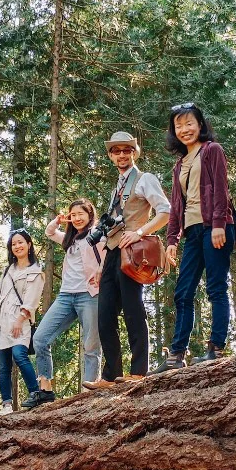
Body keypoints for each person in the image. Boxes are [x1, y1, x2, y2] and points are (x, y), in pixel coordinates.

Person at [85, 131, 171, 389]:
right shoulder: (117, 186)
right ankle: (111, 375)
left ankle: (138, 372)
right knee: (105, 314)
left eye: (127, 150)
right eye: (117, 151)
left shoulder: (145, 179)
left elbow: (165, 211)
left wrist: (140, 232)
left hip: (132, 253)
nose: (122, 155)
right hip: (112, 253)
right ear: (111, 156)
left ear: (134, 153)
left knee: (133, 310)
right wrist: (102, 266)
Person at [152, 103, 234, 373]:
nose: (184, 129)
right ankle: (176, 354)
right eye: (179, 126)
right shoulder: (179, 166)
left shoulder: (212, 151)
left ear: (200, 125)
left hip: (214, 227)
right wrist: (172, 239)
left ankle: (216, 348)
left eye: (189, 123)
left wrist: (220, 224)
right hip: (193, 233)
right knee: (183, 292)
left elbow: (221, 189)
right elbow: (177, 206)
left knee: (215, 287)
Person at [31, 199, 104, 406]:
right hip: (65, 296)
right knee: (41, 338)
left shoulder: (96, 235)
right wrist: (58, 221)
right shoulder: (69, 240)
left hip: (90, 295)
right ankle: (45, 390)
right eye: (73, 215)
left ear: (90, 215)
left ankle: (88, 394)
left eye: (81, 213)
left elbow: (109, 252)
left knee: (91, 345)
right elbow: (49, 232)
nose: (77, 218)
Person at [0, 229, 44, 416]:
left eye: (20, 242)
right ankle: (6, 405)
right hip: (0, 322)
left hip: (20, 321)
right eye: (14, 244)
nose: (17, 246)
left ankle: (36, 393)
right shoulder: (7, 270)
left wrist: (20, 320)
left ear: (29, 244)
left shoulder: (36, 271)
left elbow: (32, 300)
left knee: (19, 355)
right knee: (3, 366)